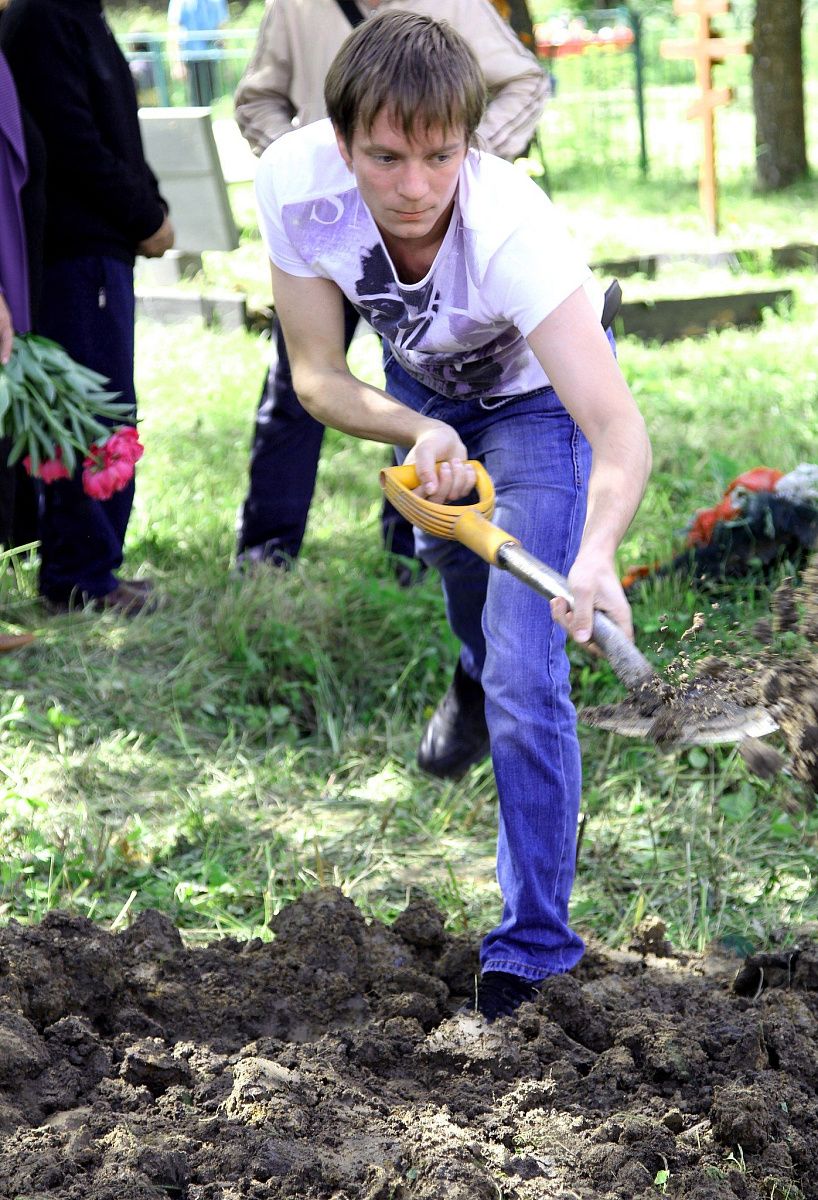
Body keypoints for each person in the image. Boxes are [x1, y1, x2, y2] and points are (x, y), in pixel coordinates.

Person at [255, 12, 651, 1018]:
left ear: (468, 142)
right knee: (476, 605)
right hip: (419, 392)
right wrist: (416, 427)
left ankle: (533, 949)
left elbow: (615, 431)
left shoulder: (511, 229)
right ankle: (474, 669)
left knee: (528, 667)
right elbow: (314, 374)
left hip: (538, 406)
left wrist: (597, 554)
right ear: (341, 141)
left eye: (440, 156)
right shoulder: (295, 184)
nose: (414, 187)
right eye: (384, 158)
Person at [233, 0, 550, 576]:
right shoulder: (295, 7)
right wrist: (315, 169)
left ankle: (409, 549)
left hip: (429, 240)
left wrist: (458, 162)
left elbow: (524, 81)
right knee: (296, 386)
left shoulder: (455, 5)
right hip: (328, 236)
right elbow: (257, 99)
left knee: (417, 372)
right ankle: (267, 548)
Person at [1, 0, 175, 616]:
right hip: (72, 252)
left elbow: (119, 135)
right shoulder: (42, 18)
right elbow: (74, 144)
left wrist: (151, 207)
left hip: (98, 250)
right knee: (91, 415)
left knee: (105, 409)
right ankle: (81, 577)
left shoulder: (77, 14)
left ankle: (90, 566)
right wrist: (145, 217)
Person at [167, 0, 229, 108]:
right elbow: (174, 30)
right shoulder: (180, 2)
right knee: (195, 101)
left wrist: (226, 64)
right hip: (190, 58)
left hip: (210, 57)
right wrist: (177, 63)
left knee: (210, 99)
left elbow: (221, 29)